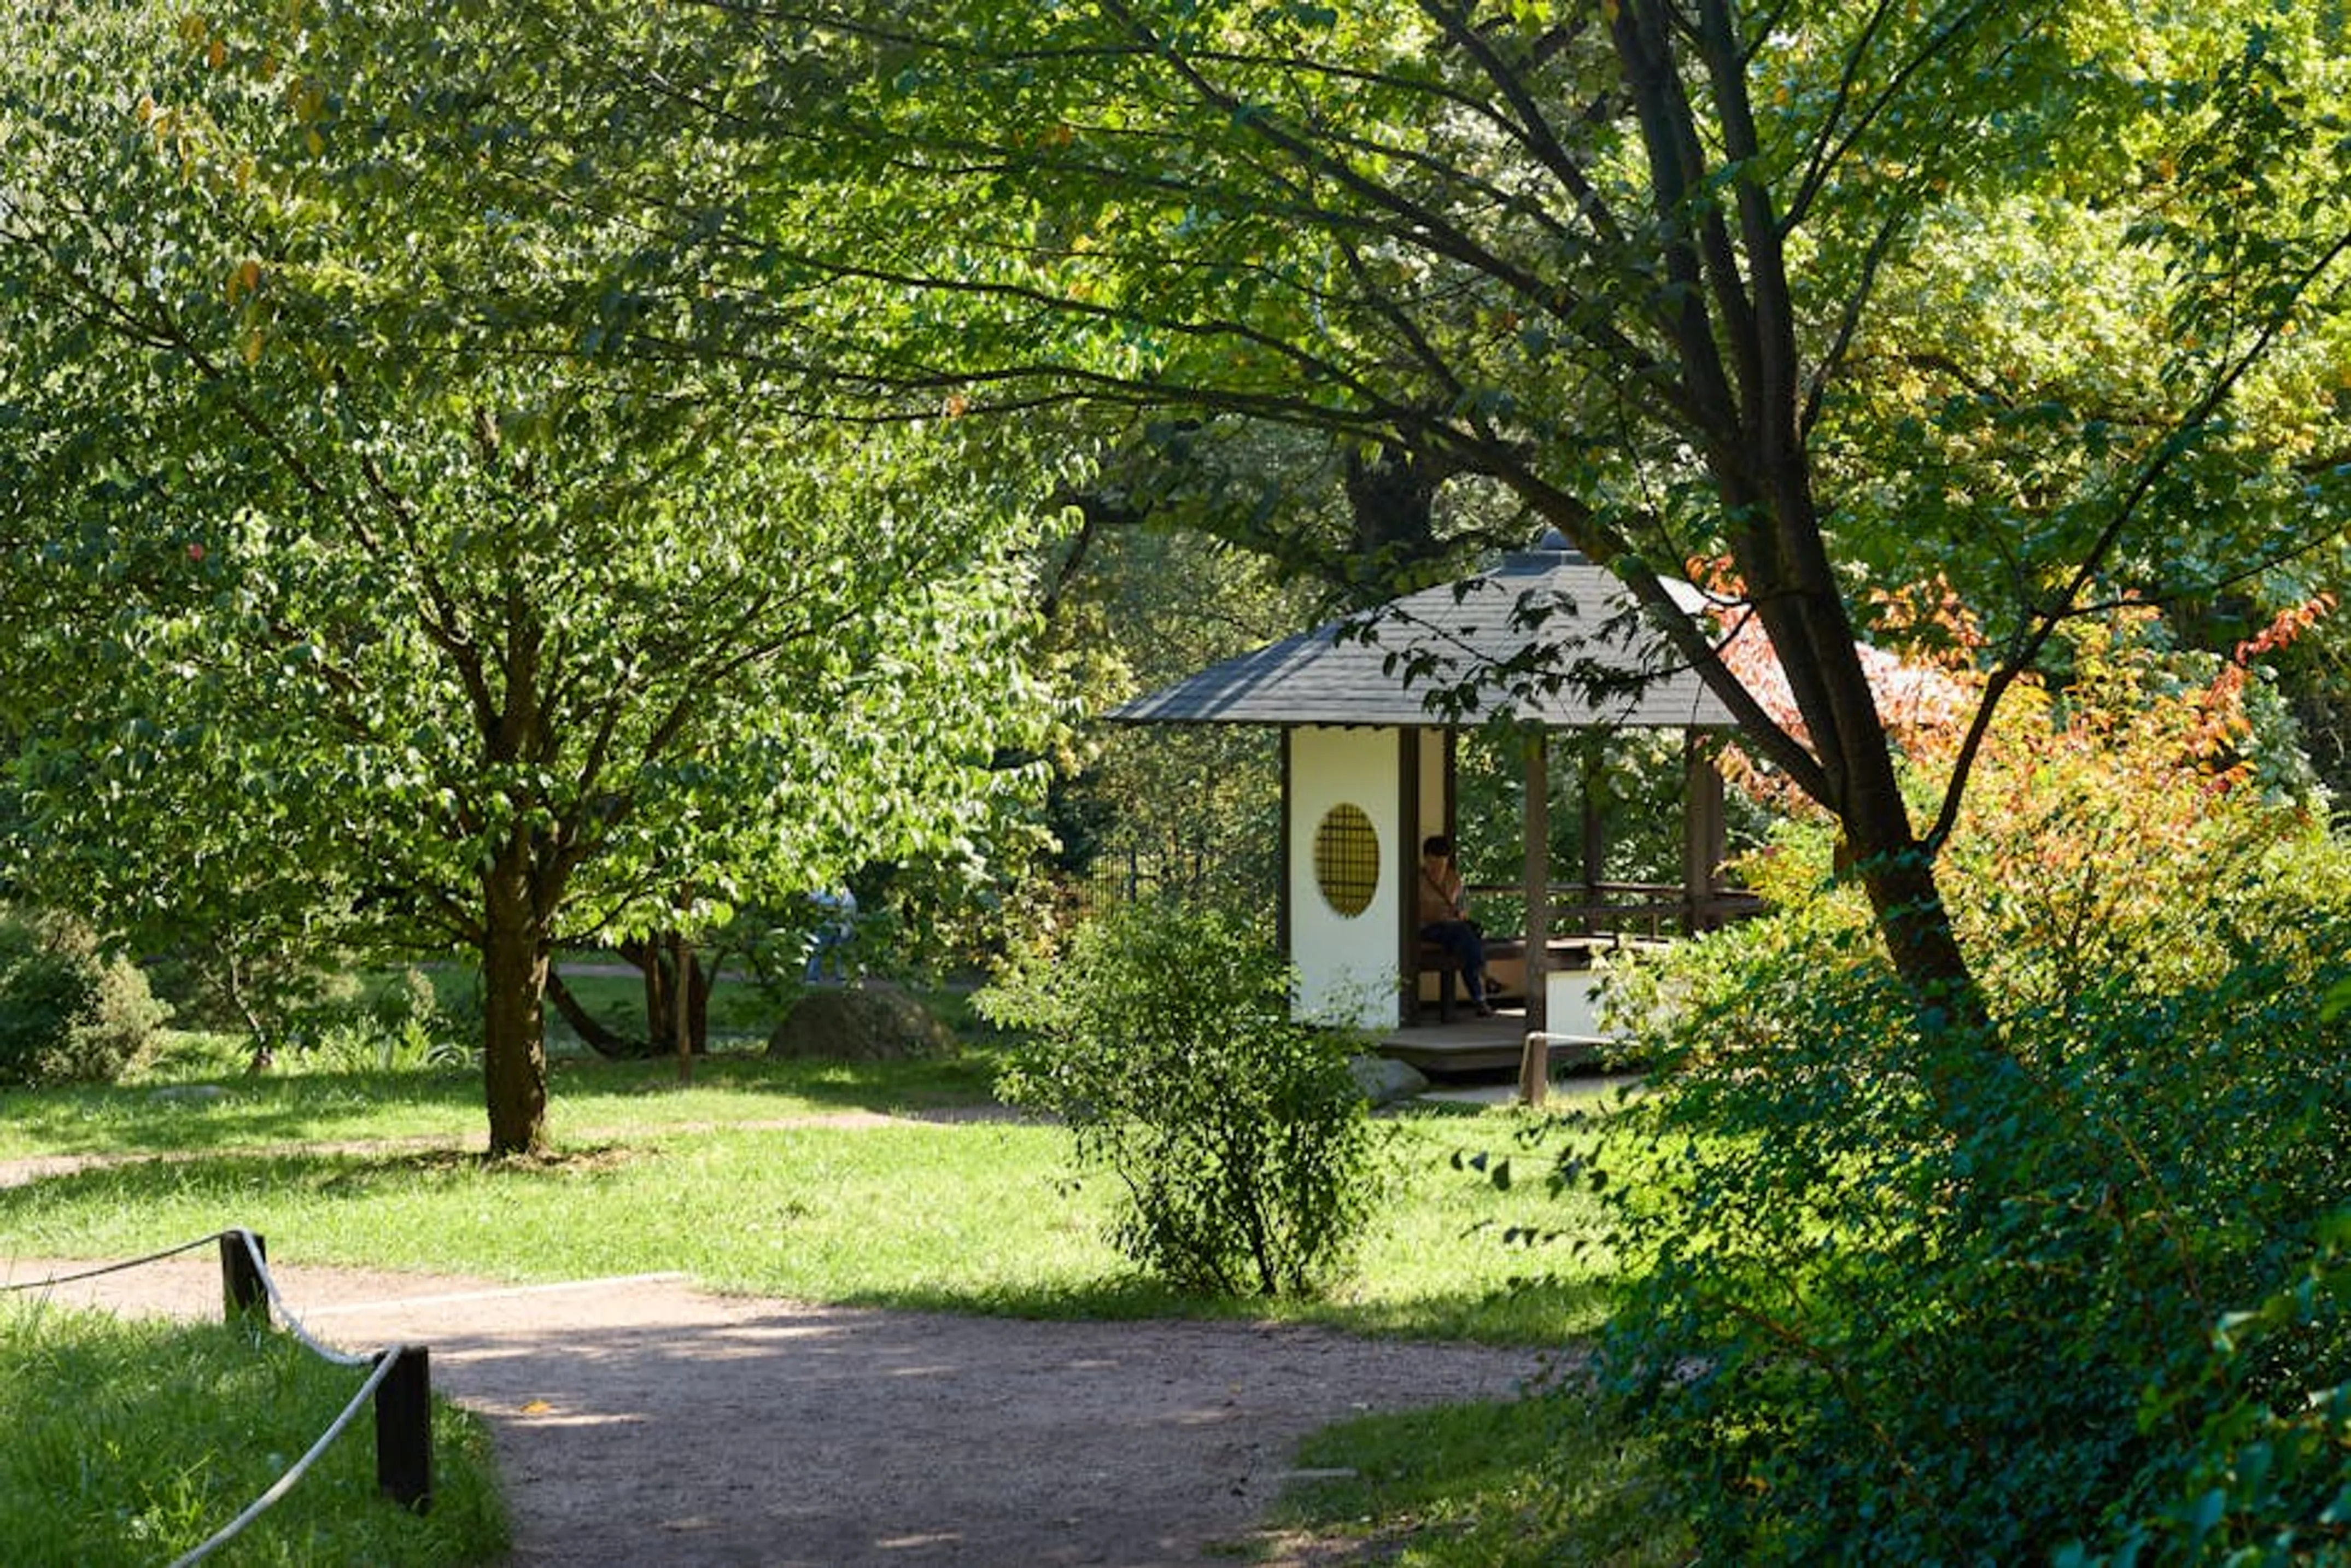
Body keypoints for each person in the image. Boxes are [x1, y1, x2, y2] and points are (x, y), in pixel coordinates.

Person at [1417, 835, 1493, 1017]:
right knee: (1466, 937)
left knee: (1465, 943)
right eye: (1434, 865)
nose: (1438, 869)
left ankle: (1480, 999)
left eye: (1442, 864)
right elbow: (1411, 913)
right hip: (1427, 930)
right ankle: (1484, 983)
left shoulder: (1454, 879)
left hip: (1454, 930)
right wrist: (1438, 914)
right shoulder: (1416, 880)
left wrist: (1459, 914)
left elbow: (1463, 906)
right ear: (1426, 859)